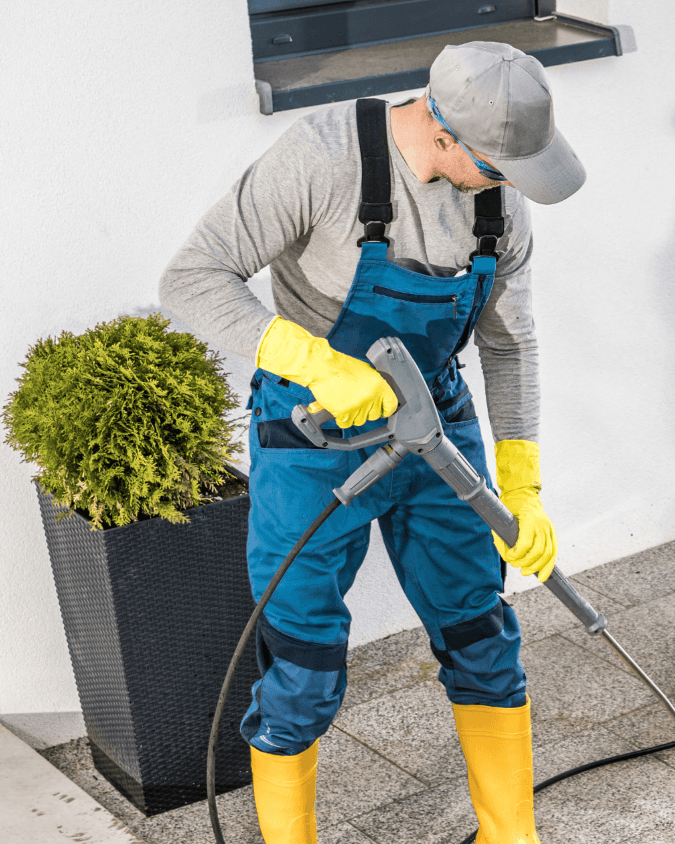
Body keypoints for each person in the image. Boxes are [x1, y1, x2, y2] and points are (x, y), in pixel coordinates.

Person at [159, 40, 584, 844]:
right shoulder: (322, 160)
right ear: (445, 134)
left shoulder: (502, 200)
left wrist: (523, 482)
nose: (511, 184)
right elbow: (191, 276)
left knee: (481, 636)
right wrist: (309, 359)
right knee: (302, 668)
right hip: (312, 438)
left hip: (437, 430)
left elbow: (510, 343)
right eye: (498, 165)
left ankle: (511, 836)